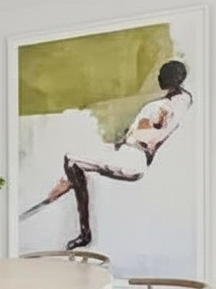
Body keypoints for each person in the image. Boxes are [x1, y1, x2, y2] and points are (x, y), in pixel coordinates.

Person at [21, 59, 193, 249]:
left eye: (161, 75)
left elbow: (161, 122)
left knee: (71, 159)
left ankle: (85, 233)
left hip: (132, 157)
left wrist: (153, 123)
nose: (158, 77)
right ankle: (67, 185)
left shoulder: (167, 106)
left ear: (169, 78)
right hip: (128, 153)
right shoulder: (182, 99)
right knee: (76, 163)